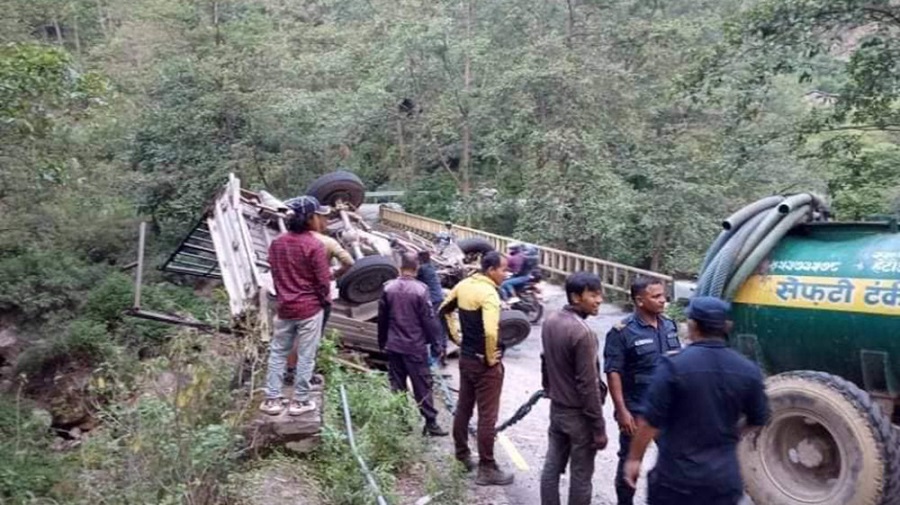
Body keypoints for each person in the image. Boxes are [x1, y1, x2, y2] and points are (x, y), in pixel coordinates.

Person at [624, 296, 770, 505]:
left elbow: (650, 422)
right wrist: (730, 435)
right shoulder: (748, 371)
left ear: (693, 326)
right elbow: (759, 418)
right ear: (726, 327)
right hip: (723, 480)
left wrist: (634, 459)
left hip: (676, 479)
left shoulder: (673, 366)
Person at [439, 251, 515, 486]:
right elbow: (491, 331)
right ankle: (487, 467)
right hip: (484, 364)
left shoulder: (463, 285)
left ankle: (462, 455)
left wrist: (457, 338)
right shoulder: (489, 293)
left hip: (467, 358)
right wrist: (492, 358)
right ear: (491, 269)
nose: (506, 273)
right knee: (487, 417)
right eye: (503, 269)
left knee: (463, 407)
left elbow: (444, 310)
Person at [603, 277, 680, 505]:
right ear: (639, 301)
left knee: (672, 462)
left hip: (668, 412)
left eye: (663, 295)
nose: (663, 300)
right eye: (656, 296)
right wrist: (622, 411)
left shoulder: (669, 326)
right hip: (637, 411)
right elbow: (613, 372)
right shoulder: (622, 332)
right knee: (630, 462)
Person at [540, 272, 609, 505]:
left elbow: (544, 361)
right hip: (578, 416)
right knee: (581, 475)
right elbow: (588, 385)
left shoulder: (550, 321)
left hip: (557, 409)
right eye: (593, 294)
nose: (599, 300)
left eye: (600, 294)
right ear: (576, 297)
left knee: (552, 465)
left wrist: (549, 388)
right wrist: (598, 427)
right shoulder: (583, 333)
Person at [260, 196, 332, 416]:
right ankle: (300, 401)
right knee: (306, 354)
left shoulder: (277, 244)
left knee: (278, 353)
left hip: (285, 308)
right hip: (309, 309)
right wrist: (324, 300)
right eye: (318, 215)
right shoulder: (314, 245)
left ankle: (272, 399)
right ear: (310, 218)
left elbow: (275, 272)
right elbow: (323, 281)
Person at [378, 252, 448, 437]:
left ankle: (402, 423)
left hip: (394, 346)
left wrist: (382, 342)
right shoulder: (421, 290)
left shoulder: (388, 288)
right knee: (422, 385)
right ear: (416, 269)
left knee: (397, 384)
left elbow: (382, 319)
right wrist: (437, 344)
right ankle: (430, 423)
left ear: (399, 268)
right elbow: (429, 321)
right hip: (414, 347)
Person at [285, 207, 355, 382]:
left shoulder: (288, 240)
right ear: (313, 219)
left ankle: (290, 371)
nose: (326, 222)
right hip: (317, 296)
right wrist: (334, 274)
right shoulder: (327, 242)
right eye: (323, 218)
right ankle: (305, 374)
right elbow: (348, 261)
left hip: (292, 294)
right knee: (312, 336)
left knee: (294, 334)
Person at [416, 250, 447, 366]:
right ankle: (443, 352)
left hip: (432, 300)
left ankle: (435, 355)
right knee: (441, 326)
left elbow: (411, 278)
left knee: (433, 327)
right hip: (439, 298)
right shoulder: (430, 266)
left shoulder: (422, 269)